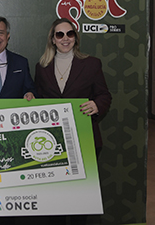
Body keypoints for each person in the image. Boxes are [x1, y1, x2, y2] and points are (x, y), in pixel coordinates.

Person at [34, 18, 112, 225]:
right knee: (56, 197)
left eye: (70, 34)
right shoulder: (42, 67)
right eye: (60, 34)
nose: (65, 38)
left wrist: (97, 105)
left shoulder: (91, 64)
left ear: (76, 38)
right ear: (53, 39)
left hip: (84, 138)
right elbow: (38, 100)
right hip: (52, 143)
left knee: (80, 197)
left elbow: (104, 95)